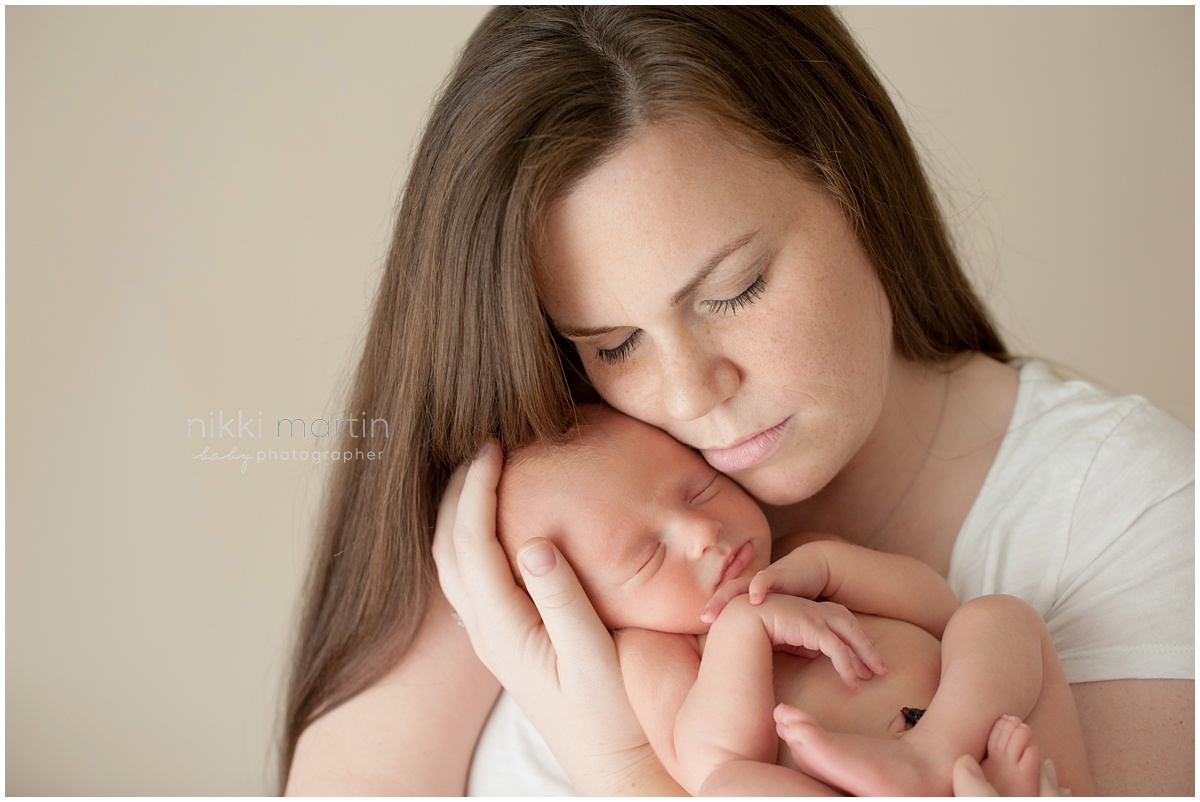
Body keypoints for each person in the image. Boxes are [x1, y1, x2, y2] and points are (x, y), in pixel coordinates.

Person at [281, 7, 1193, 795]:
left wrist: (625, 774)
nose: (686, 393)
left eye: (734, 290)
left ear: (857, 186)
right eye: (616, 345)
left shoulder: (1120, 508)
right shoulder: (545, 513)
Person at [492, 404, 1091, 796]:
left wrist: (830, 567)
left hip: (975, 731)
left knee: (998, 618)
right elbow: (708, 765)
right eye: (649, 554)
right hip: (837, 783)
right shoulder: (653, 654)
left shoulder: (803, 557)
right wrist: (741, 631)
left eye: (701, 492)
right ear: (590, 609)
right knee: (733, 790)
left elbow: (939, 611)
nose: (701, 534)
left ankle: (937, 756)